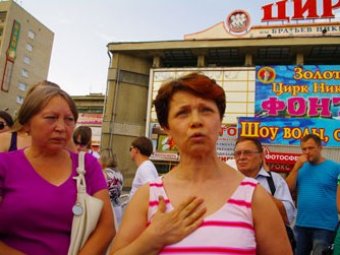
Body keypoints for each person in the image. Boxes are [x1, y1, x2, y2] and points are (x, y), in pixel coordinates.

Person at [110, 72, 292, 254]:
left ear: (220, 121)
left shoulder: (253, 197)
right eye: (183, 113)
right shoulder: (148, 196)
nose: (196, 121)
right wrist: (152, 238)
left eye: (206, 110)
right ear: (167, 128)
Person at [0, 84, 115, 254]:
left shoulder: (87, 165)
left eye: (69, 120)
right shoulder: (4, 165)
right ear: (27, 124)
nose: (61, 127)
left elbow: (106, 228)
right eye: (51, 117)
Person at [234, 137, 296, 249]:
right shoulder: (228, 182)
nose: (241, 157)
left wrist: (255, 189)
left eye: (247, 153)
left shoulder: (275, 181)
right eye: (238, 153)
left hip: (269, 246)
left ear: (261, 156)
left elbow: (288, 216)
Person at [286, 133, 340, 255]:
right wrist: (296, 168)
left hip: (325, 226)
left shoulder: (336, 168)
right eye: (304, 149)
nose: (307, 152)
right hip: (301, 225)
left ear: (320, 147)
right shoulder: (300, 168)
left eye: (311, 148)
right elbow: (287, 189)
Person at [100, 148, 124, 227]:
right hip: (117, 207)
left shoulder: (103, 173)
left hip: (107, 209)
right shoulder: (119, 173)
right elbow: (119, 192)